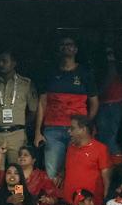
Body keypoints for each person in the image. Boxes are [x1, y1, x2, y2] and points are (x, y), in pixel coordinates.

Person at [35, 38, 99, 179]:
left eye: (70, 44)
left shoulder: (85, 73)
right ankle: (53, 201)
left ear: (76, 49)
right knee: (52, 173)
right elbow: (42, 103)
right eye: (62, 44)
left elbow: (94, 102)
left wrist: (86, 125)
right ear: (59, 49)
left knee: (76, 171)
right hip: (53, 128)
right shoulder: (50, 72)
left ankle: (76, 201)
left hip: (77, 129)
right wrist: (37, 132)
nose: (66, 47)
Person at [64, 116, 110, 205]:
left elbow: (106, 179)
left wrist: (106, 200)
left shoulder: (101, 149)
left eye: (72, 128)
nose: (69, 131)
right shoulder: (70, 148)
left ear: (83, 129)